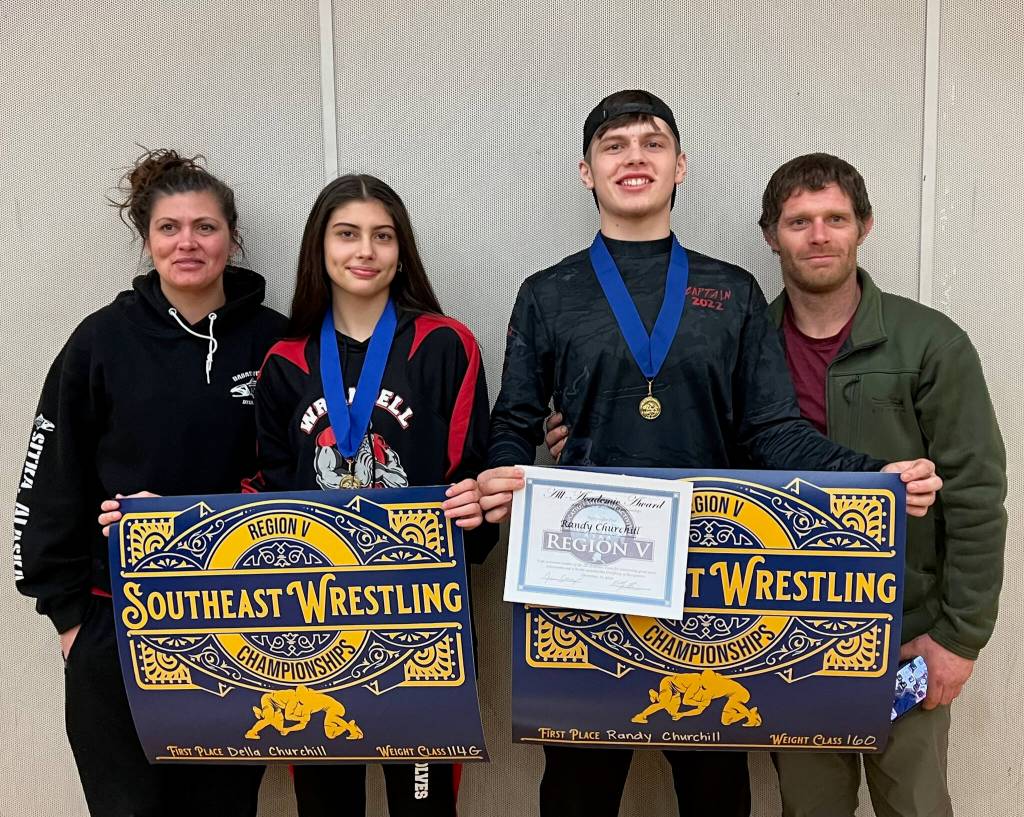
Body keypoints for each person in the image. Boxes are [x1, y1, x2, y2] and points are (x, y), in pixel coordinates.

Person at [478, 90, 941, 817]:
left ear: (680, 165)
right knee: (576, 788)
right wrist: (500, 471)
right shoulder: (548, 293)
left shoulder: (730, 289)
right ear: (586, 172)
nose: (635, 156)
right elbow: (514, 421)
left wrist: (869, 474)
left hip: (713, 575)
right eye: (615, 145)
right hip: (587, 568)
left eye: (652, 142)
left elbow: (771, 429)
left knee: (716, 789)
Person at [13, 149, 284, 816]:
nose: (187, 242)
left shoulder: (277, 343)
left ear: (232, 236)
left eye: (204, 226)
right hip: (116, 621)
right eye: (169, 227)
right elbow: (50, 479)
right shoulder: (100, 341)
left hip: (238, 623)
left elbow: (302, 480)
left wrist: (195, 520)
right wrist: (70, 618)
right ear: (147, 239)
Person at [757, 153, 1006, 817]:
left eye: (835, 217)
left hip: (907, 636)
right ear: (770, 234)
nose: (818, 235)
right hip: (791, 641)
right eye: (799, 220)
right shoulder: (749, 348)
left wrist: (959, 639)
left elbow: (978, 496)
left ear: (863, 226)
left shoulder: (929, 344)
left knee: (918, 807)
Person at [244, 173, 494, 816]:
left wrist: (476, 510)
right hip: (312, 621)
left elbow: (473, 470)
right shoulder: (284, 361)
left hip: (421, 615)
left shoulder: (446, 344)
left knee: (424, 804)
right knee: (328, 803)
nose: (365, 250)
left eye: (383, 236)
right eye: (347, 234)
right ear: (319, 249)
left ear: (401, 250)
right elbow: (261, 493)